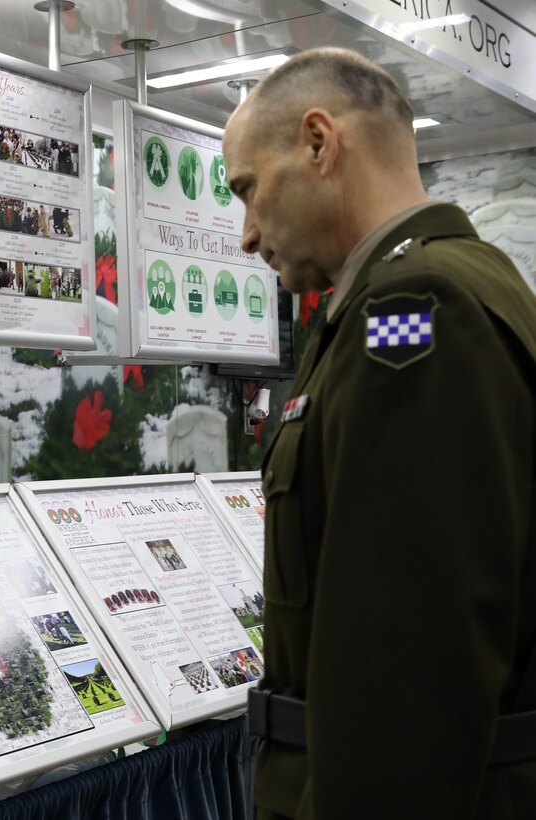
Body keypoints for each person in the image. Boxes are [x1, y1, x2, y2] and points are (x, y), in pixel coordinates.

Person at [222, 47, 536, 819]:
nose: (248, 234)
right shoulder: (470, 280)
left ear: (320, 143)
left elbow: (411, 668)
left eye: (250, 190)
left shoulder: (414, 309)